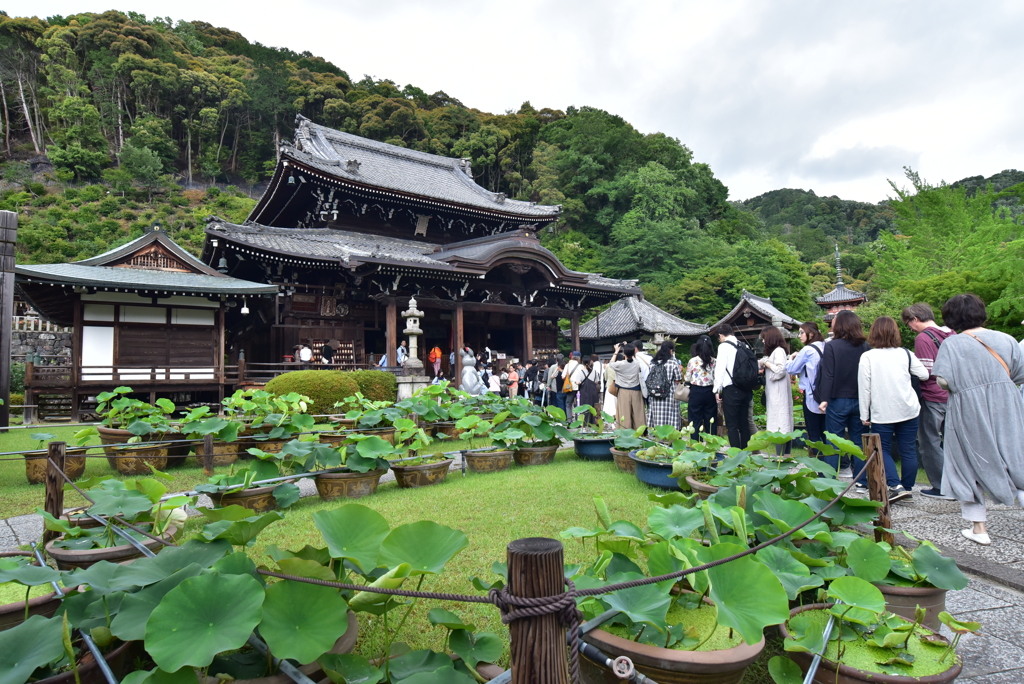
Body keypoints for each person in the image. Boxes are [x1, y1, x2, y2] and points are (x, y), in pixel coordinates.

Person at [932, 294, 1024, 545]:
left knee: (968, 461)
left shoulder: (952, 344)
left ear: (952, 318)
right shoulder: (1006, 339)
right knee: (1015, 456)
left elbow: (942, 380)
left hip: (968, 407)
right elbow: (1020, 374)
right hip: (1007, 403)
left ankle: (979, 529)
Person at [859, 316, 928, 503]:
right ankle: (907, 487)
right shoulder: (906, 353)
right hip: (908, 408)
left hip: (883, 411)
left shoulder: (868, 357)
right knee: (908, 449)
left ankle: (895, 485)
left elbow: (864, 387)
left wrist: (864, 414)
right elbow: (923, 374)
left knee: (883, 449)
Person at [901, 303, 956, 499]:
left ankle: (942, 486)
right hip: (954, 394)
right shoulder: (952, 333)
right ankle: (960, 484)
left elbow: (926, 373)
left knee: (929, 442)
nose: (910, 328)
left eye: (909, 324)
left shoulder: (923, 338)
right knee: (954, 442)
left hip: (933, 395)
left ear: (915, 319)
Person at [816, 310, 871, 481]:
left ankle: (830, 479)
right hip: (860, 400)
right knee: (858, 441)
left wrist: (824, 398)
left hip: (838, 399)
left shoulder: (832, 346)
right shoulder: (866, 346)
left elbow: (828, 374)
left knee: (833, 440)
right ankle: (862, 481)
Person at [786, 322, 826, 458]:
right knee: (826, 432)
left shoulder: (807, 350)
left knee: (814, 433)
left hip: (812, 396)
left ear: (811, 333)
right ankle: (833, 463)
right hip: (826, 395)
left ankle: (819, 465)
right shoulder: (826, 346)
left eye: (802, 332)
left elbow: (792, 369)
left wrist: (791, 358)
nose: (799, 336)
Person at [713, 324, 753, 449]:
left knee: (732, 425)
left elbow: (720, 369)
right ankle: (746, 452)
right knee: (744, 423)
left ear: (721, 335)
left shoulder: (724, 346)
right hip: (745, 388)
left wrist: (716, 390)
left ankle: (736, 454)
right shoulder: (744, 345)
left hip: (731, 388)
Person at [760, 326, 793, 455]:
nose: (763, 341)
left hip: (778, 393)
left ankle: (781, 455)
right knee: (782, 422)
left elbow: (780, 370)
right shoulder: (777, 351)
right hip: (777, 393)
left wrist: (766, 363)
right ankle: (785, 454)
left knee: (780, 423)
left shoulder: (778, 351)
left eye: (764, 338)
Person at [646, 341, 683, 430]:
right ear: (671, 351)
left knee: (657, 413)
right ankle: (671, 434)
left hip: (655, 393)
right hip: (670, 393)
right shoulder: (673, 362)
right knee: (671, 414)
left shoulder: (653, 362)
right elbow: (678, 379)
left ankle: (657, 433)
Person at [685, 335, 717, 438]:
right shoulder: (714, 361)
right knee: (711, 419)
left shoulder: (693, 361)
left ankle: (695, 444)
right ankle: (711, 444)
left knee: (695, 419)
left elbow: (687, 378)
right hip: (710, 392)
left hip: (696, 391)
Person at [609, 343, 645, 429]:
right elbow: (633, 359)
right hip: (636, 390)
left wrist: (616, 351)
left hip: (623, 391)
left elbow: (611, 363)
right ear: (634, 353)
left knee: (624, 413)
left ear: (624, 354)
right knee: (638, 412)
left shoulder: (620, 364)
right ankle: (640, 431)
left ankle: (625, 432)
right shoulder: (637, 363)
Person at [578, 358, 602, 424]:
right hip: (593, 391)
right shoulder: (594, 371)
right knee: (593, 405)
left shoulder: (581, 372)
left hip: (584, 391)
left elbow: (578, 382)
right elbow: (597, 382)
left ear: (582, 363)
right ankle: (594, 422)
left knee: (584, 406)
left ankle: (585, 422)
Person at [603, 352, 623, 427]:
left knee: (610, 406)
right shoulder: (622, 366)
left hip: (610, 387)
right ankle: (618, 422)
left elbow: (605, 377)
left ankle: (611, 423)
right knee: (618, 406)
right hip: (620, 388)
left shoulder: (609, 366)